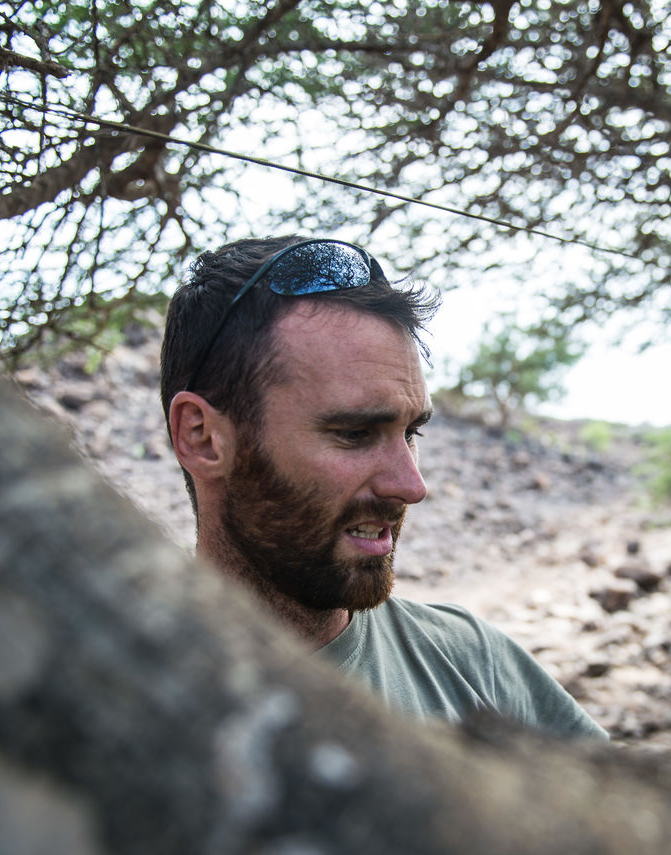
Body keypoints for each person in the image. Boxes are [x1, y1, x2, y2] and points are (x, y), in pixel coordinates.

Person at [159, 235, 606, 742]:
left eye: (411, 433)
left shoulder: (475, 665)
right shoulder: (106, 696)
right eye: (354, 433)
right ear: (203, 438)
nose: (411, 486)